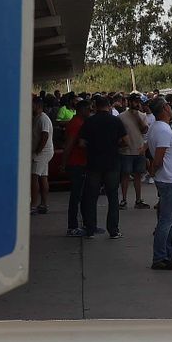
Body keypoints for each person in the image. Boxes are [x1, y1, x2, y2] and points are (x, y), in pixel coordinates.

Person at [78, 96, 125, 239]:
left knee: (91, 198)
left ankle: (90, 229)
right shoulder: (116, 121)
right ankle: (113, 230)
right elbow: (125, 141)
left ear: (95, 106)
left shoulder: (89, 121)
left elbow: (81, 143)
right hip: (112, 163)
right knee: (113, 197)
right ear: (109, 106)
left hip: (93, 164)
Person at [146, 99, 172, 271]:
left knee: (167, 220)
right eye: (168, 106)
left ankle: (169, 254)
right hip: (170, 179)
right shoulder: (162, 129)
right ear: (164, 108)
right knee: (166, 221)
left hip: (169, 178)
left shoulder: (159, 127)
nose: (171, 108)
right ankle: (160, 257)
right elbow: (158, 158)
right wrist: (153, 171)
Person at [57, 98, 89, 236]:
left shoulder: (78, 123)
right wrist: (63, 164)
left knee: (82, 195)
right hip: (76, 163)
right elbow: (69, 145)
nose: (90, 112)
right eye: (88, 109)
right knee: (76, 196)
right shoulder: (76, 124)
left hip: (79, 163)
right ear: (82, 110)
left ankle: (87, 225)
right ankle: (72, 226)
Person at [119, 98, 150, 209]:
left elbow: (144, 130)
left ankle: (138, 200)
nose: (136, 104)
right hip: (126, 151)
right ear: (129, 102)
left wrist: (137, 117)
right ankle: (123, 200)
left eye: (138, 102)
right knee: (125, 175)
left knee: (138, 175)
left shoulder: (142, 116)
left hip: (139, 150)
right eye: (134, 101)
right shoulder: (121, 116)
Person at [30, 95, 54, 215]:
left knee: (34, 177)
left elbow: (45, 135)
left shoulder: (43, 118)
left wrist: (38, 151)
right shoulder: (36, 118)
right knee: (43, 177)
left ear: (37, 105)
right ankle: (43, 204)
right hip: (41, 152)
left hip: (42, 152)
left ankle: (33, 205)